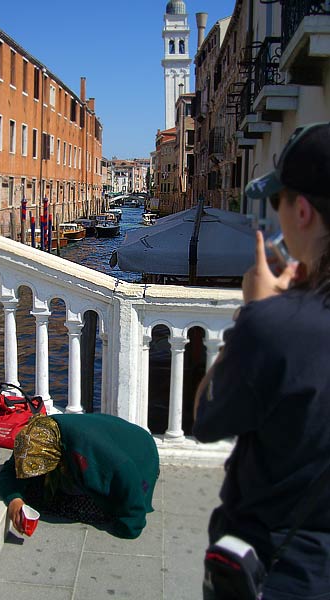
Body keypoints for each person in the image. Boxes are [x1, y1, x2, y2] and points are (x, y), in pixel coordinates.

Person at [193, 122, 330, 599]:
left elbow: (206, 417)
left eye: (277, 201)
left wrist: (255, 311)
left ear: (302, 210)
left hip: (278, 572)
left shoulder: (276, 326)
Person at [0, 412, 160, 539]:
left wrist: (130, 525)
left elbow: (127, 472)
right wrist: (14, 500)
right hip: (109, 449)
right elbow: (11, 471)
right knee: (36, 492)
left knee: (72, 506)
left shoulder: (89, 452)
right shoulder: (34, 436)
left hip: (141, 459)